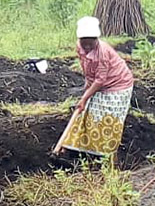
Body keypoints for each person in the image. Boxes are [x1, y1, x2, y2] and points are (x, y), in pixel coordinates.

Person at [58, 16, 135, 157]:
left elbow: (100, 80)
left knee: (106, 118)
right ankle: (78, 148)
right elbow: (86, 68)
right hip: (100, 83)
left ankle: (104, 155)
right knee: (87, 112)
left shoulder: (103, 53)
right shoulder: (79, 46)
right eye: (84, 43)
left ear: (96, 40)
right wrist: (87, 90)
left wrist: (84, 97)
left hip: (118, 85)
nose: (86, 47)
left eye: (90, 44)